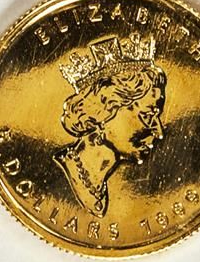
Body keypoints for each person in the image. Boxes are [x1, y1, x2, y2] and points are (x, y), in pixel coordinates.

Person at [53, 33, 167, 217]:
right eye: (147, 116)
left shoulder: (103, 190)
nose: (159, 132)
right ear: (104, 113)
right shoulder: (54, 177)